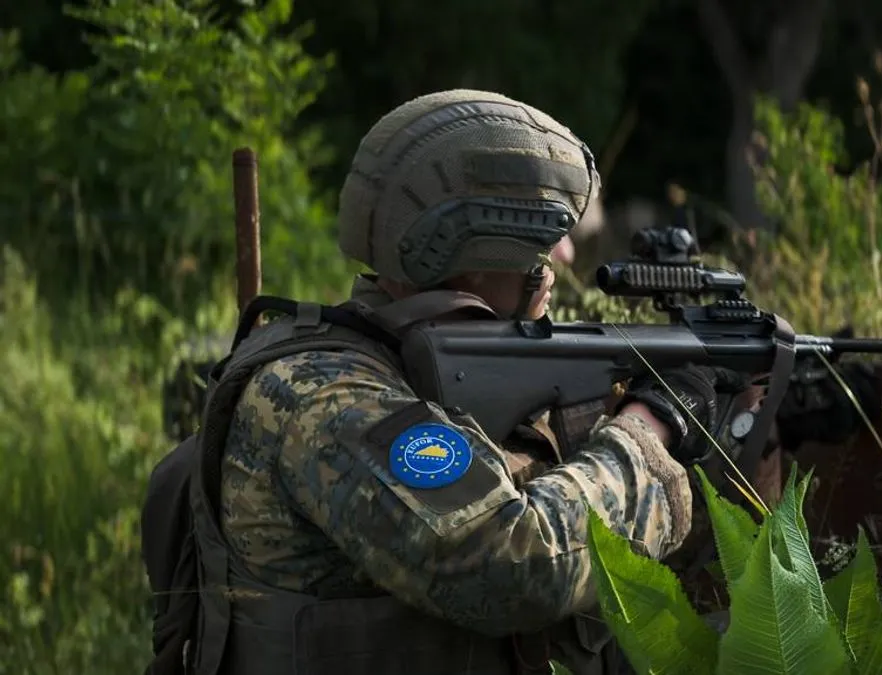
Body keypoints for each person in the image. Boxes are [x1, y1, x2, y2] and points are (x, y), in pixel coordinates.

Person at [164, 89, 753, 675]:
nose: (554, 270)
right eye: (541, 253)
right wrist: (649, 427)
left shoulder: (425, 371)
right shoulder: (322, 395)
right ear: (477, 253)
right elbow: (514, 567)